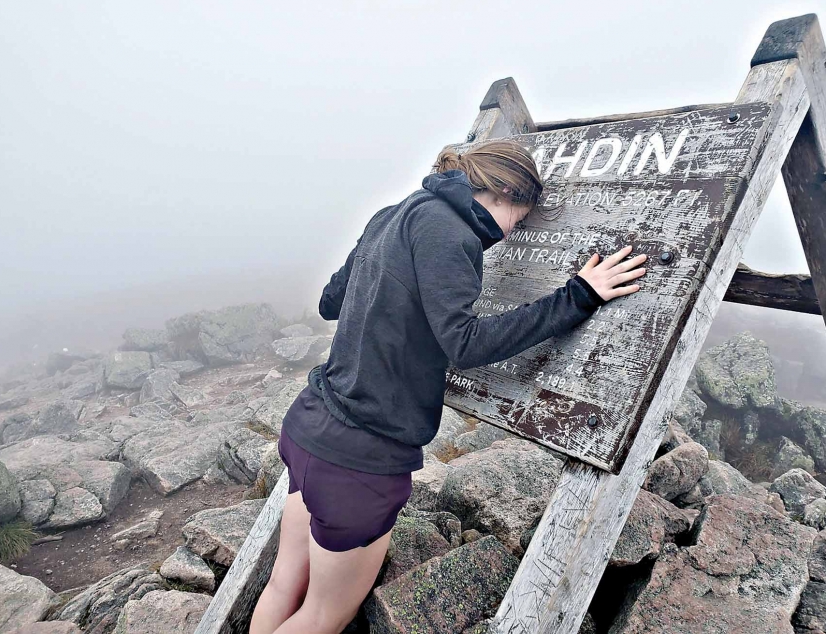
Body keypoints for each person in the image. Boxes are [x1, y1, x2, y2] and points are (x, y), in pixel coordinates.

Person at [249, 140, 647, 634]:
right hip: (361, 459)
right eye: (517, 221)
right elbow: (464, 342)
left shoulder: (392, 214)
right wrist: (577, 296)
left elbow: (332, 300)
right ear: (502, 191)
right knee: (324, 614)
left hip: (310, 425)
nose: (509, 235)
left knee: (283, 584)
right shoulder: (449, 233)